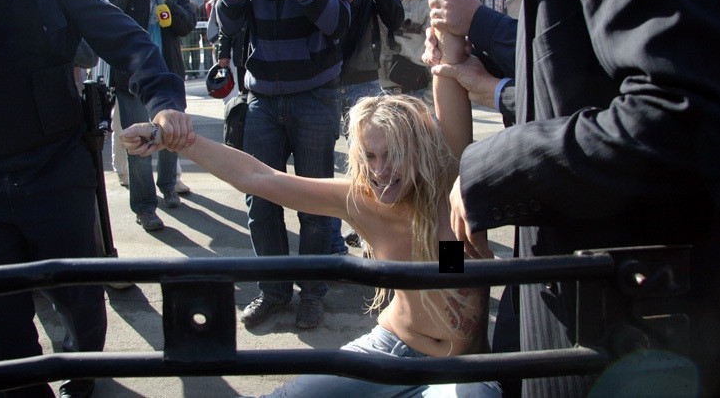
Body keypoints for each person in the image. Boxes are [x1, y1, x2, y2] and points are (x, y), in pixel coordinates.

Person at [403, 0, 720, 395]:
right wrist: (494, 92)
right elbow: (588, 91)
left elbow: (689, 116)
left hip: (641, 340)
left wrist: (490, 170)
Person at [0, 0, 194, 397]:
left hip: (56, 177)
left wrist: (163, 106)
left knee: (81, 306)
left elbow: (131, 45)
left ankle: (83, 381)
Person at [120, 94, 500, 397]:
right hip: (390, 348)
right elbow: (259, 177)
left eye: (393, 156)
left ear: (419, 151)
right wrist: (176, 140)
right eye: (369, 156)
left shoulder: (449, 185)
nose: (381, 171)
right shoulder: (360, 200)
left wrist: (449, 44)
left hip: (462, 370)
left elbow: (446, 74)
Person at [216, 0, 350, 329]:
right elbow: (227, 27)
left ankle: (312, 291)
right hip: (262, 101)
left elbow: (338, 21)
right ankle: (274, 290)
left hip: (314, 96)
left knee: (314, 200)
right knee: (260, 199)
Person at [324, 0, 404, 256]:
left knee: (376, 160)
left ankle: (374, 234)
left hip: (366, 79)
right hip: (323, 77)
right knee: (325, 164)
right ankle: (331, 241)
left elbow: (395, 18)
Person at [106, 0, 196, 232]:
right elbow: (105, 19)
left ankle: (169, 186)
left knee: (172, 140)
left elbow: (184, 25)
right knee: (138, 148)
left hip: (168, 76)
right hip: (131, 79)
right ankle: (145, 207)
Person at [378, 0, 434, 108]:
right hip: (379, 88)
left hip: (415, 89)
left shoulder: (431, 0)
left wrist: (427, 102)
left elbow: (439, 55)